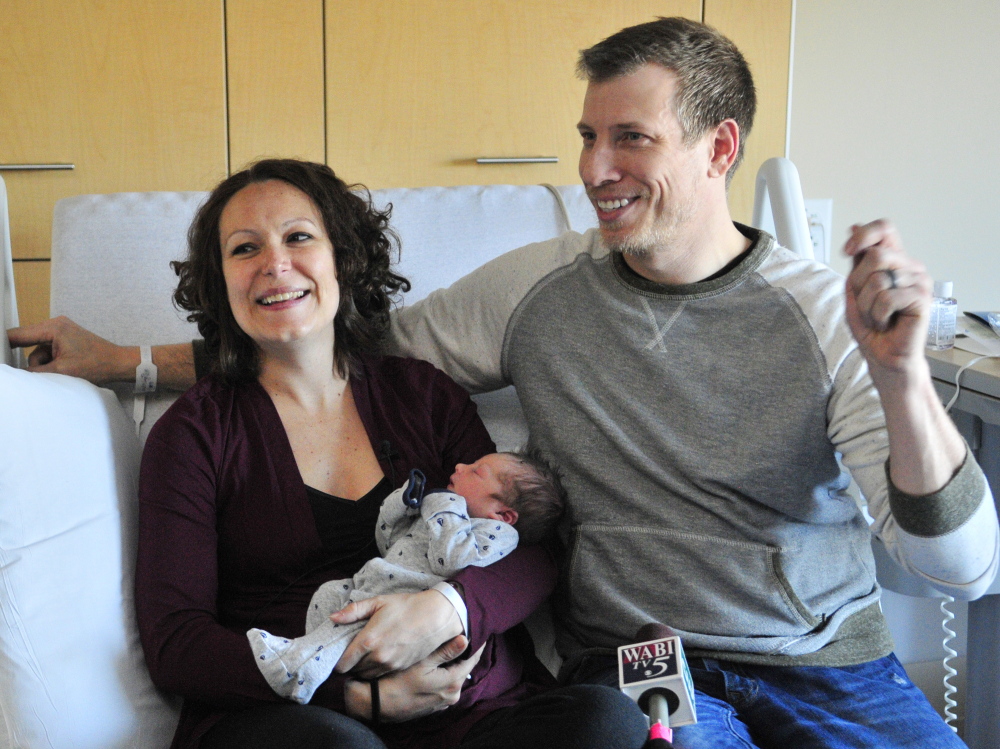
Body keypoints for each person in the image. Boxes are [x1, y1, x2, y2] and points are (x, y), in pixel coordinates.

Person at [10, 18, 999, 749]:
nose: (595, 168)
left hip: (831, 663)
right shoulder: (536, 290)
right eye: (586, 137)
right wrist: (124, 364)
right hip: (642, 657)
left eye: (631, 139)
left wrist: (903, 377)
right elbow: (317, 336)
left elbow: (961, 566)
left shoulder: (833, 312)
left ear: (720, 148)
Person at [132, 159, 645, 749]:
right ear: (220, 280)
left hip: (473, 714)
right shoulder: (193, 435)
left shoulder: (423, 395)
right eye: (244, 249)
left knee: (608, 724)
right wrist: (353, 698)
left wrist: (448, 609)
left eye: (299, 237)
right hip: (301, 724)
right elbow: (176, 643)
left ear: (342, 258)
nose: (275, 264)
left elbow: (531, 550)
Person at [249, 451, 565, 705]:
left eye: (476, 471)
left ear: (503, 514)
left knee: (349, 629)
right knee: (328, 597)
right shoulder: (444, 520)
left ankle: (297, 669)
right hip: (373, 583)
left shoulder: (495, 533)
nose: (460, 465)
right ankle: (313, 658)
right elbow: (390, 541)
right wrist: (402, 505)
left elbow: (449, 559)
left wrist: (445, 505)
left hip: (401, 607)